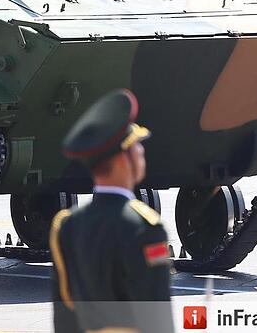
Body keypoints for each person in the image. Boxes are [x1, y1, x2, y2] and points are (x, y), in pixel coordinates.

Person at [50, 89, 174, 333]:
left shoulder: (68, 226)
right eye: (135, 146)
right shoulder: (145, 229)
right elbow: (156, 319)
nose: (141, 150)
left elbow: (65, 318)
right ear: (121, 160)